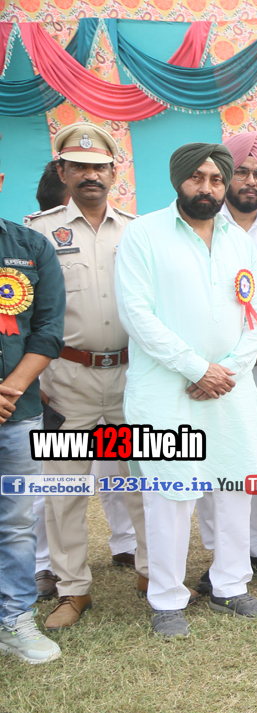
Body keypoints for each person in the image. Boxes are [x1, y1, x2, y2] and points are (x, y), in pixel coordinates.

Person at [115, 142, 257, 639]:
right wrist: (195, 368)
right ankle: (166, 599)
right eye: (197, 178)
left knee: (234, 485)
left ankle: (230, 585)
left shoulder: (239, 240)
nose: (207, 188)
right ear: (178, 180)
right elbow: (136, 314)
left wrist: (228, 370)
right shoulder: (143, 234)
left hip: (230, 389)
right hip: (167, 390)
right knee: (170, 492)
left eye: (216, 179)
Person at [24, 123, 151, 630]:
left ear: (114, 172)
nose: (90, 175)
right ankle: (73, 589)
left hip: (129, 380)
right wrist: (33, 378)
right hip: (66, 383)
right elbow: (23, 312)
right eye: (78, 166)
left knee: (142, 483)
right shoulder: (38, 233)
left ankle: (153, 573)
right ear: (63, 172)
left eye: (99, 167)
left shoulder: (137, 231)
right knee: (65, 493)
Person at [194, 131, 257, 589]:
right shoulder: (202, 223)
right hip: (213, 370)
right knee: (215, 455)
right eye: (242, 172)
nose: (251, 181)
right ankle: (220, 549)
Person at [0, 141, 66, 665]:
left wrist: (11, 390)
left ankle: (13, 618)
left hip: (16, 415)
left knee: (16, 522)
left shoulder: (30, 247)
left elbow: (47, 330)